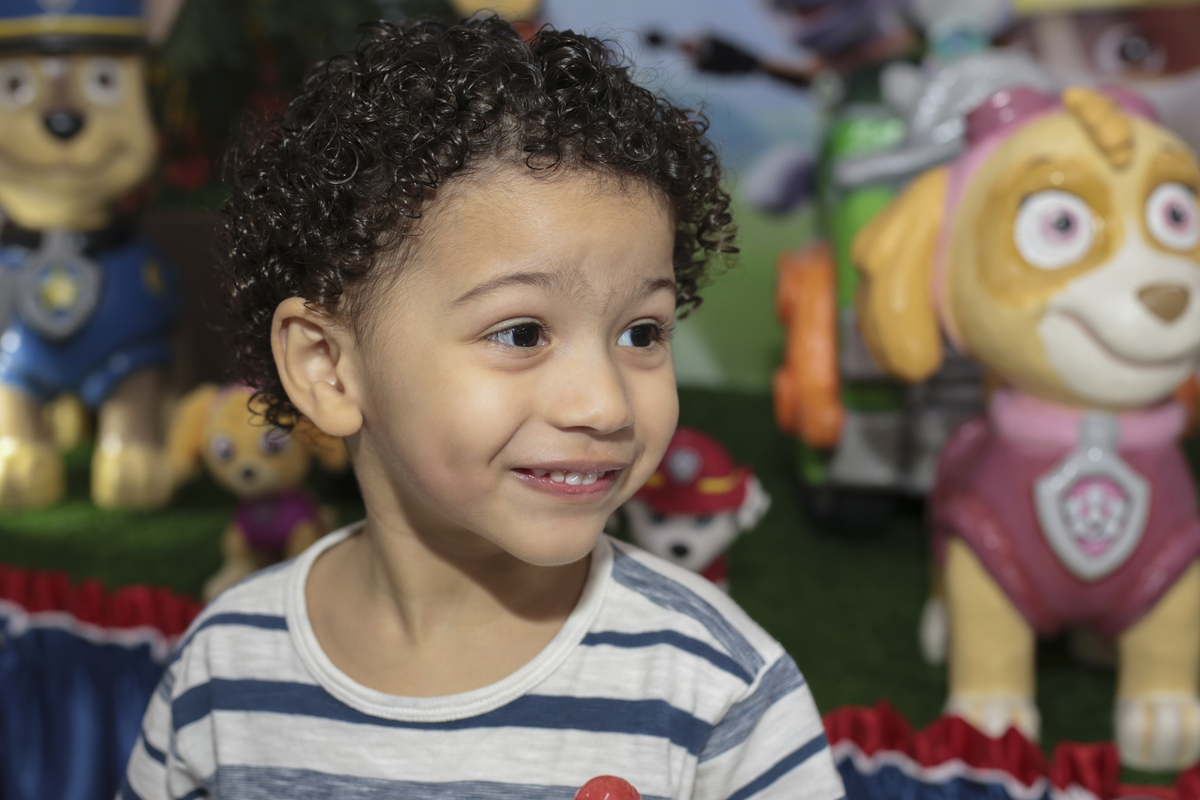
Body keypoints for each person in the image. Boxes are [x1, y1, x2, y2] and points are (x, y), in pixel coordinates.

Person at [122, 16, 845, 800]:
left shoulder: (719, 691)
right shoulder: (222, 674)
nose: (606, 405)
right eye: (522, 332)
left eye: (642, 333)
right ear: (328, 367)